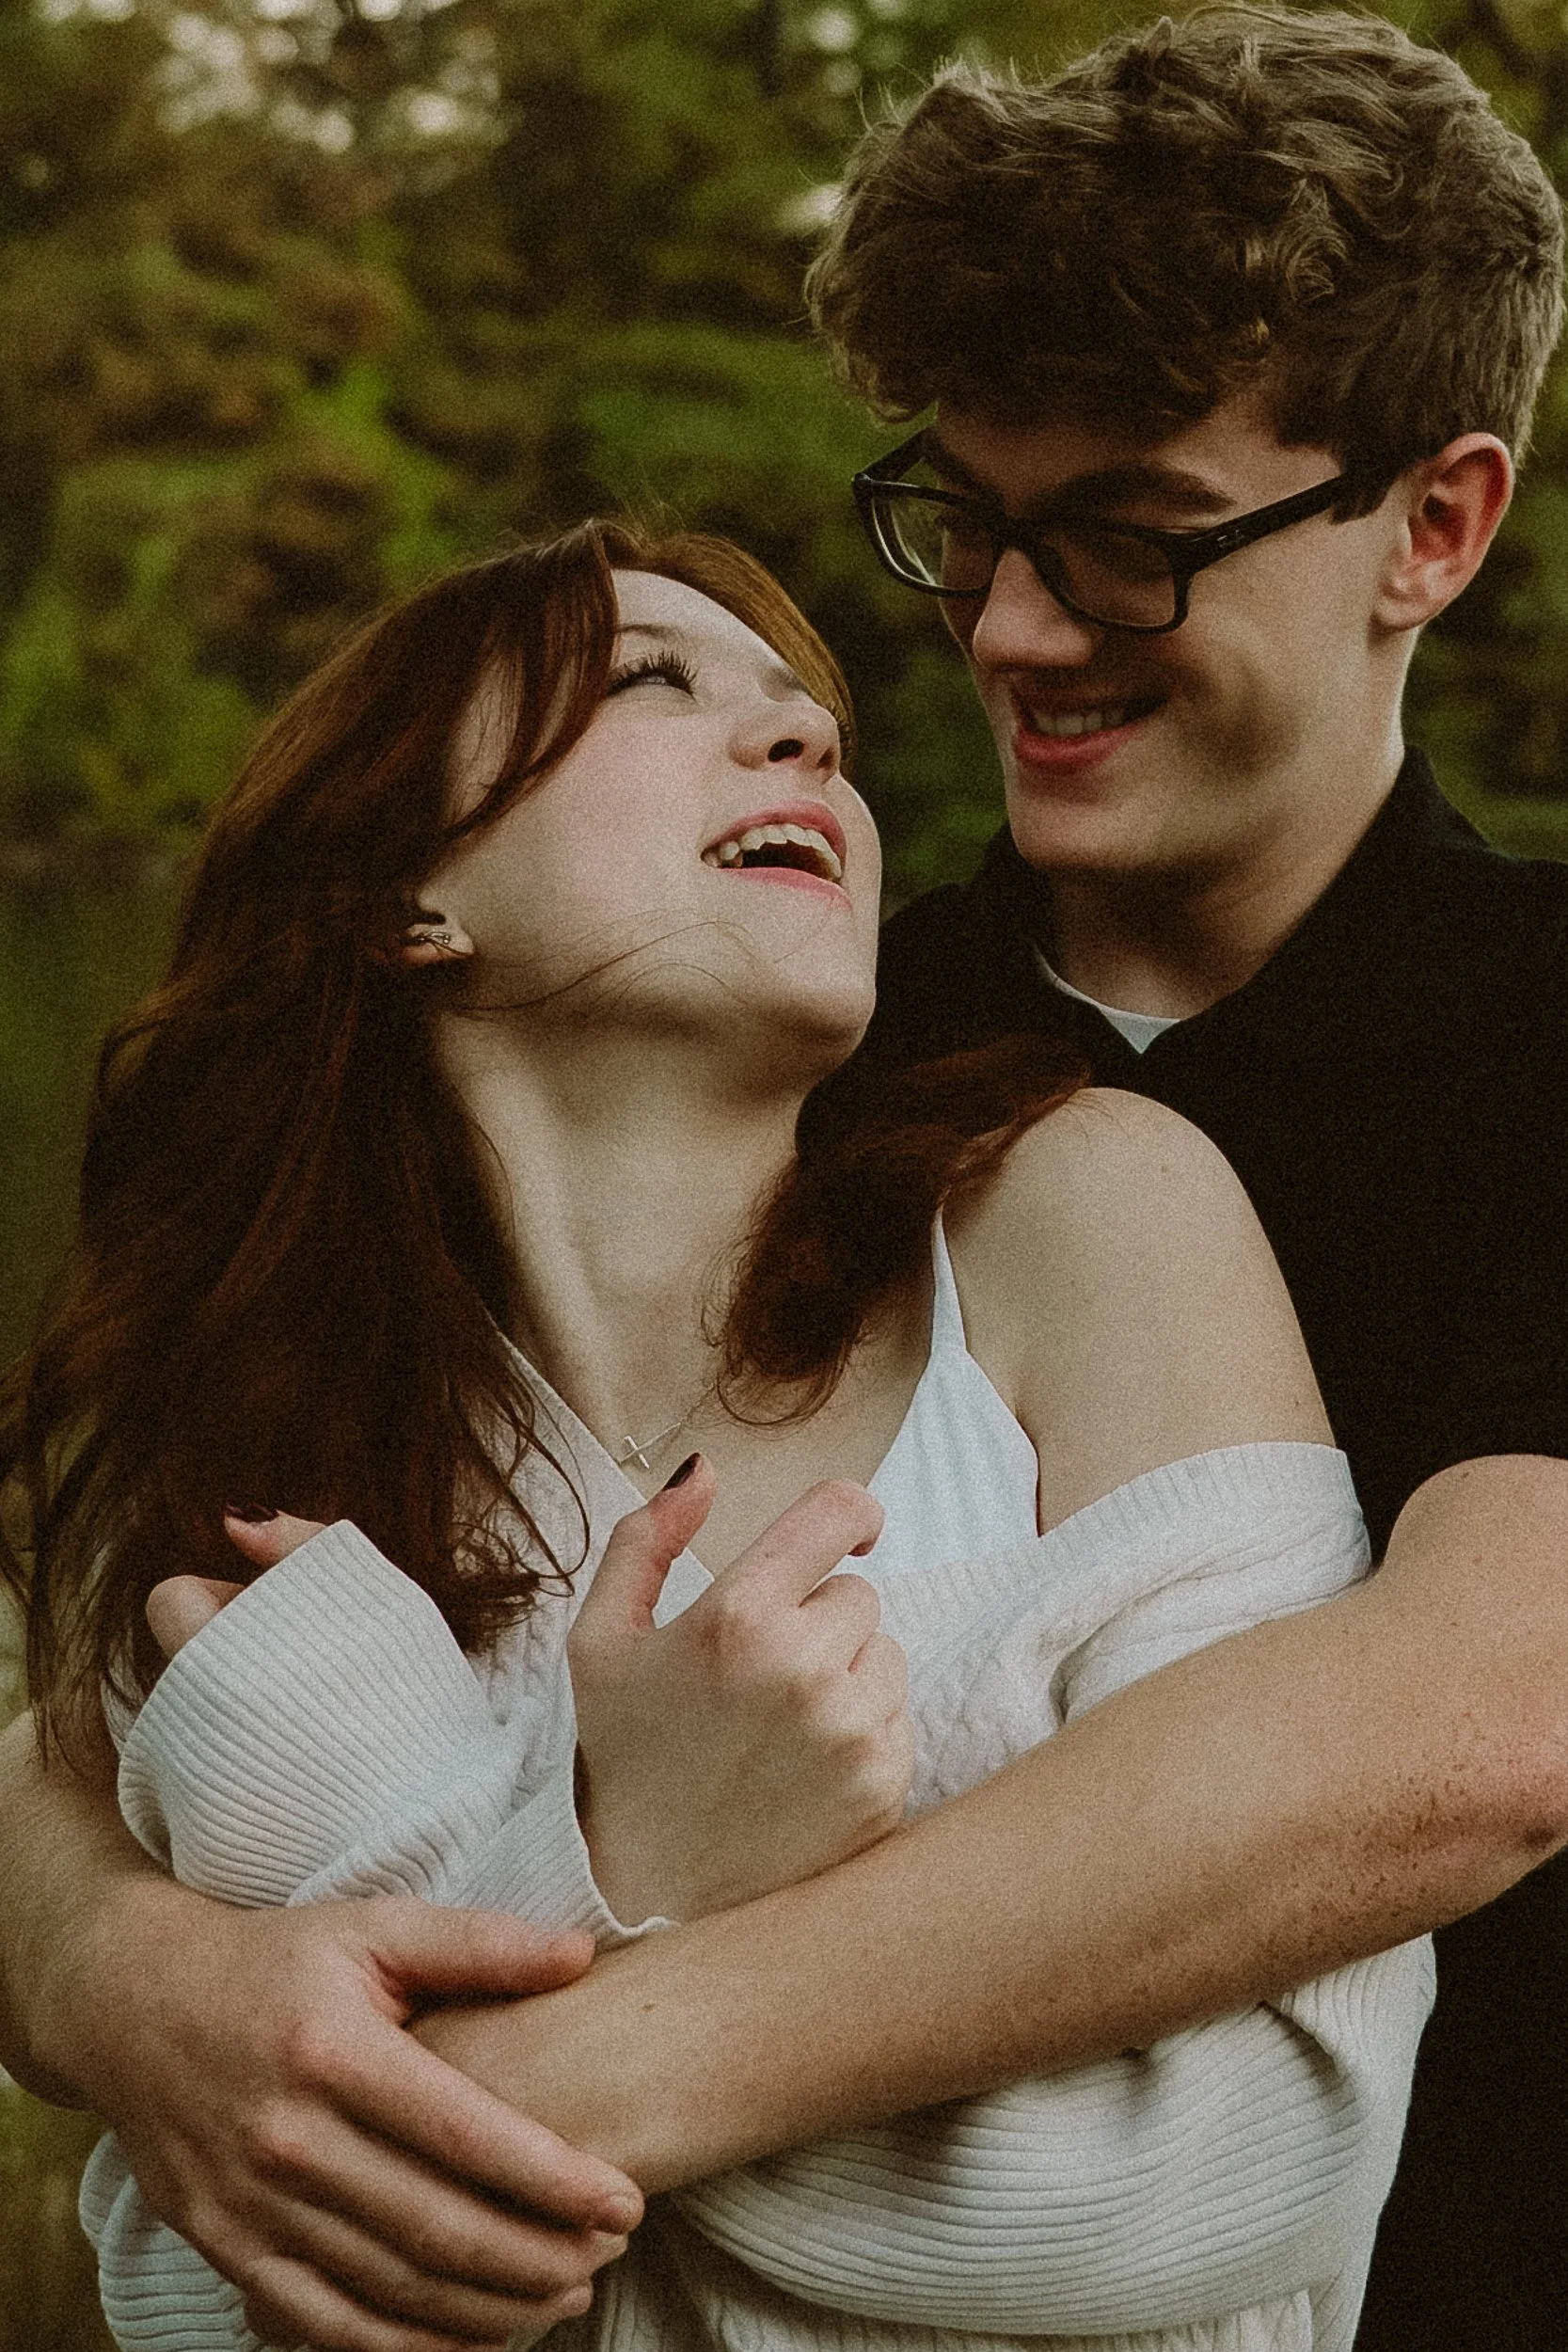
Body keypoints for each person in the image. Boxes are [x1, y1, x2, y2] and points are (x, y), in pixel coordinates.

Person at [2, 6, 1568, 2348]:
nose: (1008, 633)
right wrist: (124, 1975)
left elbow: (1482, 1714)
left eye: (1128, 547)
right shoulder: (800, 1041)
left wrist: (511, 2087)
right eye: (966, 519)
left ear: (1428, 528)